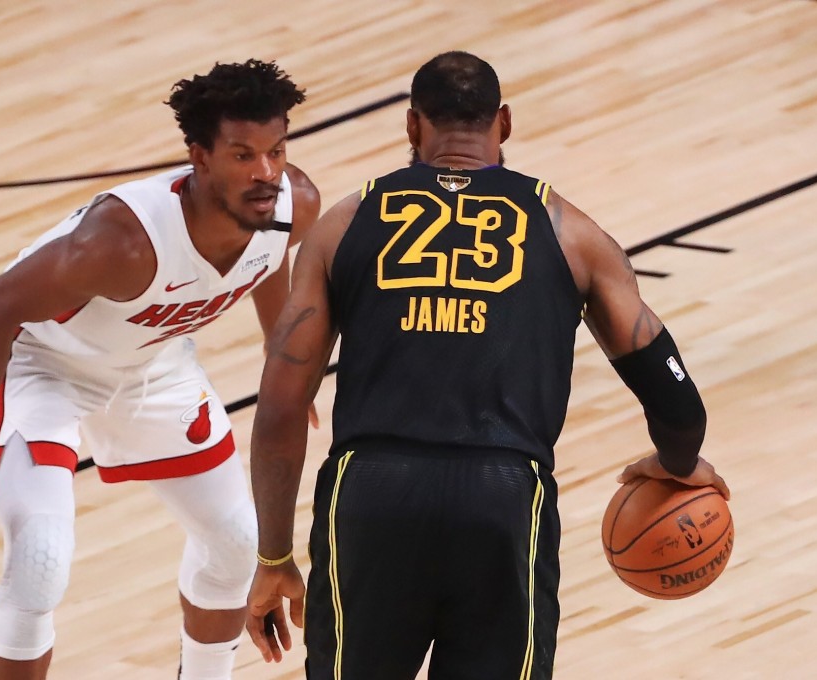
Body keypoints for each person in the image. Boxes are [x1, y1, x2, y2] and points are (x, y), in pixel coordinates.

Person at [245, 51, 730, 679]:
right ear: (503, 123)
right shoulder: (571, 232)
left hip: (371, 497)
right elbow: (677, 403)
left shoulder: (344, 224)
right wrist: (679, 463)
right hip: (503, 500)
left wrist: (275, 555)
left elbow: (281, 407)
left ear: (412, 126)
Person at [0, 59, 321, 680]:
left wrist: (283, 362)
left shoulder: (289, 203)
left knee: (234, 543)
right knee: (39, 561)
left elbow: (267, 261)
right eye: (243, 155)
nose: (266, 172)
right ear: (199, 156)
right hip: (46, 366)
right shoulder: (121, 244)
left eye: (275, 150)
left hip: (152, 362)